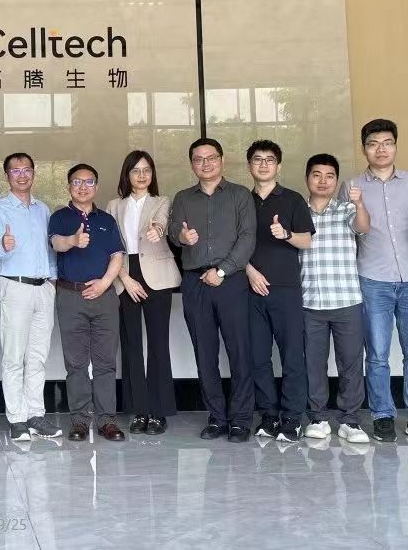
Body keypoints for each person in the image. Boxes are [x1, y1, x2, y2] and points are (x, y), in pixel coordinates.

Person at [342, 119, 408, 443]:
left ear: (396, 146)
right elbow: (350, 233)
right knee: (377, 354)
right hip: (373, 279)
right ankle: (382, 415)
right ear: (364, 149)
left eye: (387, 142)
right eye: (373, 143)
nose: (381, 149)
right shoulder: (351, 186)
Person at [168, 138, 256, 443]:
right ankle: (217, 417)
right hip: (195, 282)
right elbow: (173, 231)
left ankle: (241, 419)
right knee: (204, 353)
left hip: (230, 280)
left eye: (211, 158)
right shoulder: (183, 198)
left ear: (222, 160)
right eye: (198, 159)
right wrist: (181, 237)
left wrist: (221, 271)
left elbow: (247, 238)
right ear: (192, 164)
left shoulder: (240, 195)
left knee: (239, 351)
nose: (205, 164)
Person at [0, 153, 62, 442]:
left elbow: (50, 250)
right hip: (14, 286)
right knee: (14, 356)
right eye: (15, 171)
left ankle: (36, 415)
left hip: (43, 288)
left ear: (33, 173)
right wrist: (3, 245)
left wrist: (52, 279)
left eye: (26, 170)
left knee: (38, 357)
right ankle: (17, 418)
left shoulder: (43, 210)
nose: (22, 175)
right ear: (7, 175)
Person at [243, 140, 314, 443]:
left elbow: (306, 241)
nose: (263, 164)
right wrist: (249, 271)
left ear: (279, 166)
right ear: (249, 165)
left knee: (292, 355)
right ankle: (269, 415)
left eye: (269, 160)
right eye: (257, 159)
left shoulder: (293, 199)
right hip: (249, 289)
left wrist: (285, 234)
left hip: (285, 289)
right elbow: (229, 245)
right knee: (258, 357)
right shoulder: (240, 200)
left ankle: (292, 417)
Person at [49, 164, 126, 442]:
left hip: (104, 297)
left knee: (106, 363)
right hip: (70, 296)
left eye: (89, 182)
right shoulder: (59, 216)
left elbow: (117, 255)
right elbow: (56, 243)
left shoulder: (106, 219)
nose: (83, 187)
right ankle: (80, 421)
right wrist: (73, 240)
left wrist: (105, 283)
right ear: (69, 186)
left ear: (96, 186)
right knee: (76, 363)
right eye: (77, 182)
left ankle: (107, 421)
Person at [107, 150, 181, 436]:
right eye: (136, 170)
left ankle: (159, 412)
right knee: (131, 343)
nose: (141, 175)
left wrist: (157, 230)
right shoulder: (114, 205)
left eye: (147, 170)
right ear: (127, 175)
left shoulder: (161, 201)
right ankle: (139, 411)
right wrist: (125, 278)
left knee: (159, 343)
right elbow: (111, 246)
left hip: (157, 275)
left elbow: (160, 223)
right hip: (125, 272)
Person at [301, 154, 371, 444]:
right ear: (307, 178)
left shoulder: (346, 209)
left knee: (351, 362)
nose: (323, 181)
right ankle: (317, 417)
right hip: (309, 301)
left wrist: (359, 203)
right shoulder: (298, 212)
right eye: (316, 175)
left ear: (336, 180)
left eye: (329, 176)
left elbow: (363, 227)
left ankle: (350, 420)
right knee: (313, 364)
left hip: (347, 300)